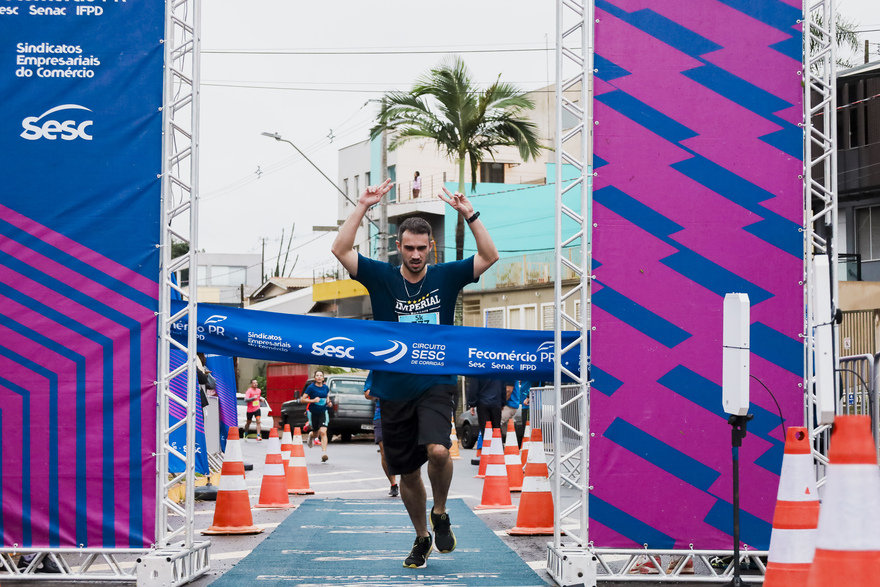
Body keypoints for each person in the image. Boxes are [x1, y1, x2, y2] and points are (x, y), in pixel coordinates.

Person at [332, 178, 499, 568]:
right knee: (405, 471)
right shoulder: (381, 277)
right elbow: (340, 249)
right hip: (392, 389)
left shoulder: (445, 276)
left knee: (439, 450)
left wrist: (469, 214)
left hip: (436, 383)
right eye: (408, 248)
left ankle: (440, 512)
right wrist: (362, 205)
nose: (415, 255)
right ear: (398, 247)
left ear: (431, 248)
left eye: (422, 249)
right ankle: (422, 536)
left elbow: (489, 256)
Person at [364, 373, 399, 497]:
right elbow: (367, 394)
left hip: (401, 414)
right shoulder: (375, 370)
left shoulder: (401, 367)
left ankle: (407, 479)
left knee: (400, 450)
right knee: (384, 452)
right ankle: (394, 484)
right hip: (381, 415)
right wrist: (380, 392)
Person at [302, 370, 332, 462]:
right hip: (313, 412)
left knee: (323, 432)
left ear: (323, 378)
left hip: (323, 412)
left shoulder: (326, 388)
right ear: (315, 378)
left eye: (321, 375)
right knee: (316, 433)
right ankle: (311, 435)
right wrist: (313, 401)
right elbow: (303, 399)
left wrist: (329, 402)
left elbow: (327, 397)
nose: (319, 377)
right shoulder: (311, 388)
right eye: (317, 375)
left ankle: (324, 453)